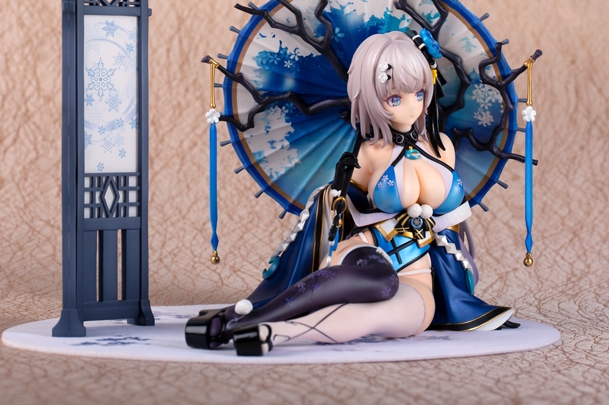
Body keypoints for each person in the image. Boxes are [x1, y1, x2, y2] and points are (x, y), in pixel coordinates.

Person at [186, 31, 514, 356]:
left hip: (417, 271)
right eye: (394, 99)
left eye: (419, 93)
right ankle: (248, 317)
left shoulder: (441, 147)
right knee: (381, 282)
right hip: (366, 252)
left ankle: (273, 333)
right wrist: (336, 195)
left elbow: (449, 225)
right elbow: (342, 211)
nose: (412, 107)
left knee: (390, 317)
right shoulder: (368, 153)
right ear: (370, 97)